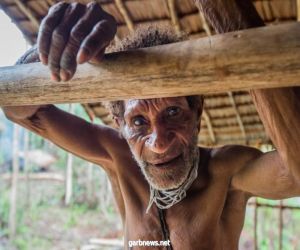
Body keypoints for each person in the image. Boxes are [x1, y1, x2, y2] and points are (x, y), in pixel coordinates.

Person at [2, 1, 300, 249]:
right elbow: (19, 110)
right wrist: (59, 52)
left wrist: (229, 15)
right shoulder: (118, 157)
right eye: (139, 121)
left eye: (172, 112)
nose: (159, 141)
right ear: (120, 124)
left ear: (197, 112)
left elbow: (295, 171)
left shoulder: (226, 171)